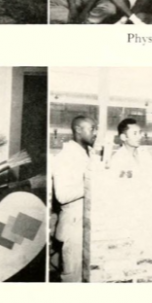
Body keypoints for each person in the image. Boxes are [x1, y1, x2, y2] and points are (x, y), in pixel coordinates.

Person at [51, 115, 98, 283]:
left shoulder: (88, 154)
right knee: (73, 277)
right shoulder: (65, 157)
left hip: (86, 224)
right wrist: (92, 185)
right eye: (92, 129)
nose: (95, 133)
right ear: (78, 130)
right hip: (73, 225)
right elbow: (62, 196)